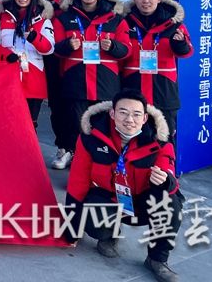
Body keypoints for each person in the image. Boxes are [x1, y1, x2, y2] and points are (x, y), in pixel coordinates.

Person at [65, 89, 182, 282]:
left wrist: (165, 181)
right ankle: (108, 235)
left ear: (145, 118)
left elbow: (169, 174)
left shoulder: (160, 141)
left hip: (143, 203)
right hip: (110, 199)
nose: (130, 120)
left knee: (171, 203)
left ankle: (157, 259)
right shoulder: (90, 138)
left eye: (136, 114)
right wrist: (72, 229)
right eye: (123, 112)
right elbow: (78, 183)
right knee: (92, 211)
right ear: (112, 113)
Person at [52, 0, 131, 168]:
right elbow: (55, 49)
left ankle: (102, 159)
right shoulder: (65, 18)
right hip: (75, 79)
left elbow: (127, 50)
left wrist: (113, 46)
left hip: (106, 80)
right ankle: (72, 153)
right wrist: (67, 46)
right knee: (74, 121)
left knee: (104, 123)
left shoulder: (115, 19)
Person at [121, 0, 193, 144]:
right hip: (133, 88)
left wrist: (179, 43)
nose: (145, 1)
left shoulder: (174, 24)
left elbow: (187, 52)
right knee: (133, 138)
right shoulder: (125, 22)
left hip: (163, 91)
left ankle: (166, 161)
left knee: (165, 138)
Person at [0, 0, 55, 128]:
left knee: (29, 125)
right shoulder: (3, 17)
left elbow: (49, 48)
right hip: (8, 77)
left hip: (33, 78)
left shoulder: (42, 19)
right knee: (7, 123)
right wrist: (6, 55)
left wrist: (35, 38)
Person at [41, 0, 80, 169]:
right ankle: (63, 147)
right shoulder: (47, 0)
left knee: (78, 106)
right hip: (53, 58)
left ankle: (80, 150)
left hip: (80, 59)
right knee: (57, 106)